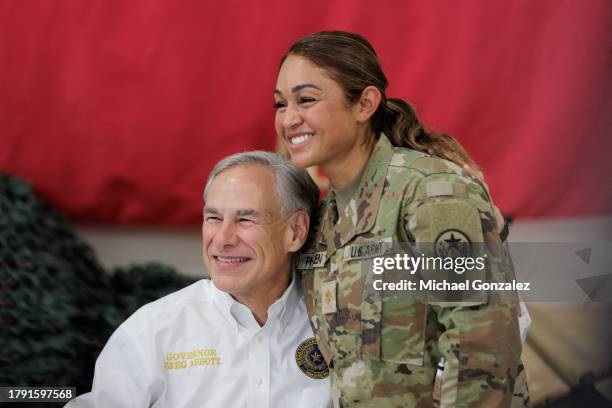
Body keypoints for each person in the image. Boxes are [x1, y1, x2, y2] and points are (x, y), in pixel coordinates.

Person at [274, 31, 530, 407]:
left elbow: (483, 345)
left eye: (306, 100)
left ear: (365, 104)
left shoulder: (432, 192)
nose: (289, 118)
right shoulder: (323, 220)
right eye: (280, 104)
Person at [66, 152, 332, 408]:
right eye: (213, 218)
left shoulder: (344, 323)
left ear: (295, 231)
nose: (223, 239)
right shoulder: (151, 332)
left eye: (246, 219)